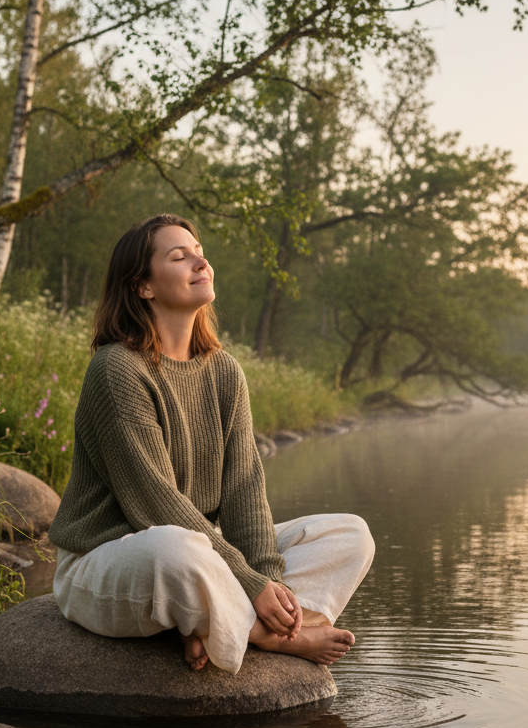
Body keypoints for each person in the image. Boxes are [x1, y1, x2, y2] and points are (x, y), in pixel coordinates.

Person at [48, 213, 374, 673]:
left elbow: (244, 491)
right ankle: (266, 639)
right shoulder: (117, 369)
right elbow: (154, 503)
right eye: (179, 256)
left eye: (200, 253)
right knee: (177, 548)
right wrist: (248, 581)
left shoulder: (224, 372)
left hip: (204, 550)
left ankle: (228, 625)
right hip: (111, 560)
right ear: (144, 286)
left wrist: (268, 583)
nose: (200, 262)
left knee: (349, 535)